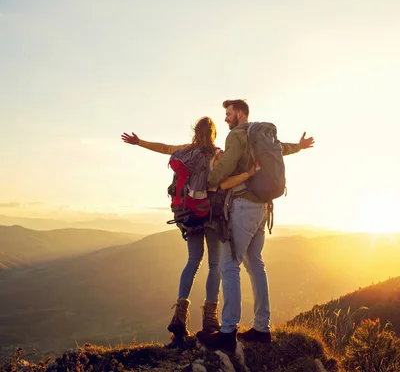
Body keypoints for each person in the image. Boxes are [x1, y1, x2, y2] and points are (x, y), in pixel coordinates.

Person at [121, 116, 258, 344]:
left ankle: (179, 315)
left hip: (188, 215)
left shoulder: (185, 151)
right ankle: (210, 320)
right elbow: (224, 182)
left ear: (195, 132)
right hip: (212, 215)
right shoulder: (217, 154)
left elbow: (164, 148)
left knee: (192, 261)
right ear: (213, 133)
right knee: (214, 265)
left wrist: (140, 142)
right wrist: (249, 174)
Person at [196, 99, 314, 353]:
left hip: (242, 205)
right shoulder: (261, 138)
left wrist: (208, 183)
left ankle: (227, 332)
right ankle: (262, 328)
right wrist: (300, 147)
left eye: (228, 114)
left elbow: (226, 165)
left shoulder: (238, 136)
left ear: (239, 113)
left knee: (229, 265)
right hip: (263, 208)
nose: (226, 119)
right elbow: (282, 149)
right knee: (255, 263)